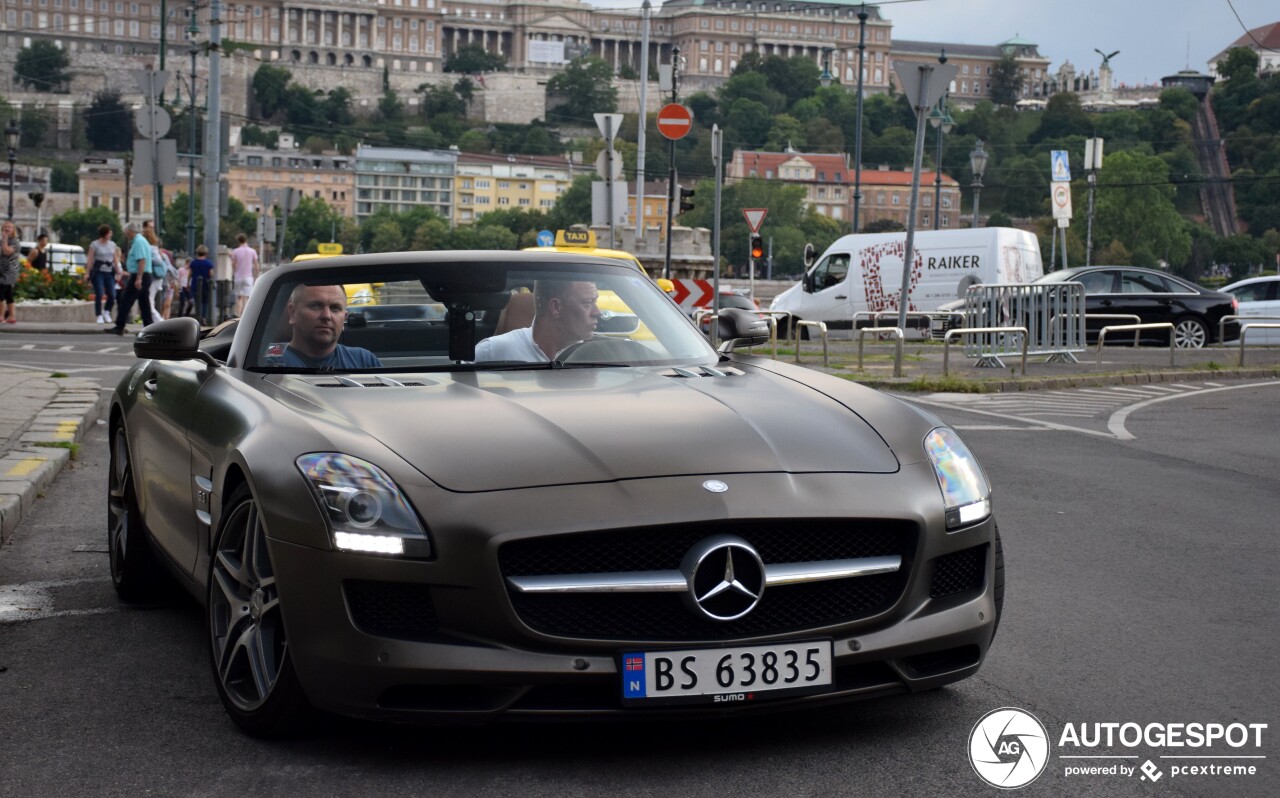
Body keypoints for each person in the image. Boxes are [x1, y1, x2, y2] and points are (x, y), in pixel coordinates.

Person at [474, 279, 601, 362]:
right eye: (587, 303)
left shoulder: (602, 355)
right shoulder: (492, 351)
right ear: (556, 307)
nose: (597, 312)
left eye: (595, 302)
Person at [262, 284, 380, 369]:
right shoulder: (272, 354)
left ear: (344, 318)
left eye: (335, 308)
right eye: (315, 306)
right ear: (292, 313)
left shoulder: (364, 359)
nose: (327, 316)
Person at [106, 223, 155, 335]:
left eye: (125, 232)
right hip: (144, 275)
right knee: (144, 303)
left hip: (139, 275)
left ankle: (120, 325)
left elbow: (141, 260)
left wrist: (138, 278)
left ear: (129, 231)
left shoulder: (138, 242)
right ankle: (150, 328)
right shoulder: (140, 241)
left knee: (126, 300)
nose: (125, 234)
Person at [86, 224, 121, 324]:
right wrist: (87, 272)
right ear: (105, 234)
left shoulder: (112, 244)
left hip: (109, 272)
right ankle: (99, 315)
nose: (111, 235)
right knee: (99, 293)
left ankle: (106, 311)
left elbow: (115, 258)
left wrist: (118, 270)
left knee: (112, 294)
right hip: (99, 272)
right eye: (109, 233)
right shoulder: (94, 245)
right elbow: (90, 259)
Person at [230, 233, 259, 317]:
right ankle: (245, 316)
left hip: (238, 277)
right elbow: (256, 264)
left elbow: (233, 264)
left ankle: (238, 315)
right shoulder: (252, 251)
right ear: (246, 240)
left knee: (239, 297)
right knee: (247, 297)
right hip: (248, 277)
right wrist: (256, 274)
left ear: (238, 241)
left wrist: (235, 271)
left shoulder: (235, 251)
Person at [188, 245, 215, 323]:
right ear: (206, 253)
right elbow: (211, 274)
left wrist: (188, 283)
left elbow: (190, 274)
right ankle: (204, 317)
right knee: (205, 302)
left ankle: (198, 316)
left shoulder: (193, 263)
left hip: (195, 285)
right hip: (206, 285)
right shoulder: (208, 263)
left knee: (197, 301)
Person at [0, 221, 20, 324]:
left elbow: (6, 251)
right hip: (2, 271)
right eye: (5, 227)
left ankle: (1, 316)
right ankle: (12, 316)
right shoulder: (2, 241)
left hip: (10, 271)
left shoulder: (14, 241)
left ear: (13, 230)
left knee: (1, 292)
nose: (7, 229)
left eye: (9, 227)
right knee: (8, 294)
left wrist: (5, 239)